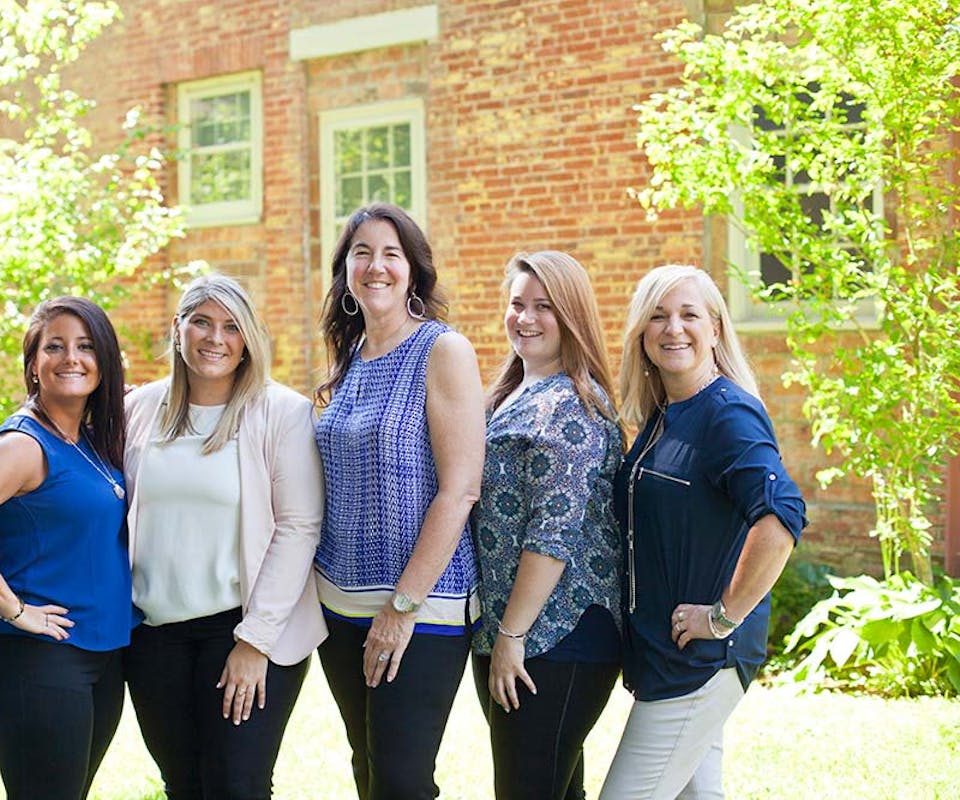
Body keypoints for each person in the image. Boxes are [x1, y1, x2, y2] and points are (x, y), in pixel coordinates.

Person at [599, 265, 807, 799]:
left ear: (715, 328)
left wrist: (722, 616)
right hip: (663, 659)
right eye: (658, 316)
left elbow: (780, 517)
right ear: (641, 335)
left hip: (697, 663)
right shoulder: (664, 416)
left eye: (689, 314)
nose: (674, 329)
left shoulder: (727, 413)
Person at [121, 274, 325, 799]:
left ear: (248, 339)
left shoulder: (282, 411)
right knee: (182, 786)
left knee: (238, 786)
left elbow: (299, 527)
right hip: (154, 635)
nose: (216, 338)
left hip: (244, 630)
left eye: (232, 327)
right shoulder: (138, 410)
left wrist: (254, 640)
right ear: (178, 328)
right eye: (202, 322)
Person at [0, 296, 134, 800]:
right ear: (33, 365)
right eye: (55, 346)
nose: (72, 358)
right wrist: (13, 608)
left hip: (100, 654)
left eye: (86, 346)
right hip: (39, 658)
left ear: (104, 361)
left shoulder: (84, 439)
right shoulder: (24, 444)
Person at [314, 202, 486, 800]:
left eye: (392, 253)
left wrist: (401, 606)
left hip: (421, 607)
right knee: (368, 769)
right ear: (345, 272)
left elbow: (461, 487)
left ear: (413, 271)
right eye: (362, 252)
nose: (376, 266)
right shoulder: (347, 359)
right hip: (338, 607)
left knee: (401, 781)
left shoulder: (443, 350)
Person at [470, 252, 624, 800]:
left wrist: (511, 638)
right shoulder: (510, 395)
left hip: (559, 636)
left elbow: (551, 535)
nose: (526, 318)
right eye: (517, 305)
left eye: (544, 307)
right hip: (513, 634)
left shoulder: (571, 406)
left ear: (573, 317)